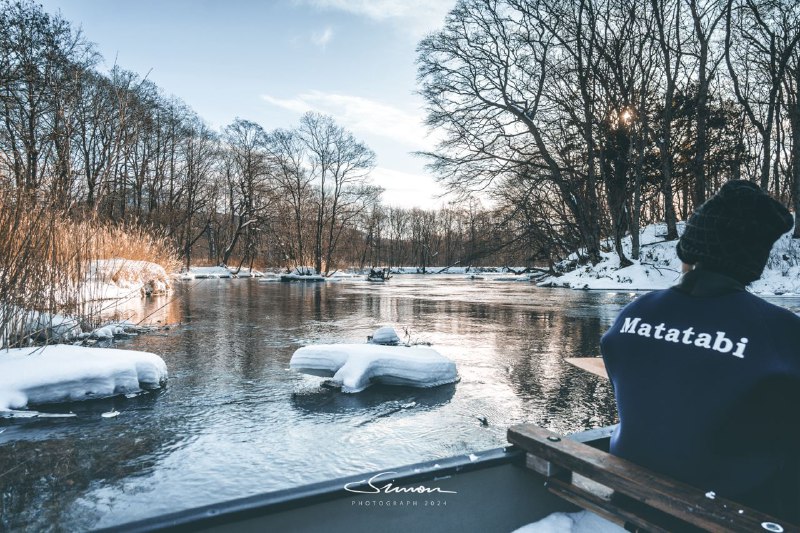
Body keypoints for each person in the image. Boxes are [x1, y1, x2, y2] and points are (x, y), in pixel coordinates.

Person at [600, 180, 800, 521]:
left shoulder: (635, 312)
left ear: (689, 250)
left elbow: (623, 366)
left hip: (632, 493)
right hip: (724, 509)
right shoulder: (778, 330)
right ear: (752, 261)